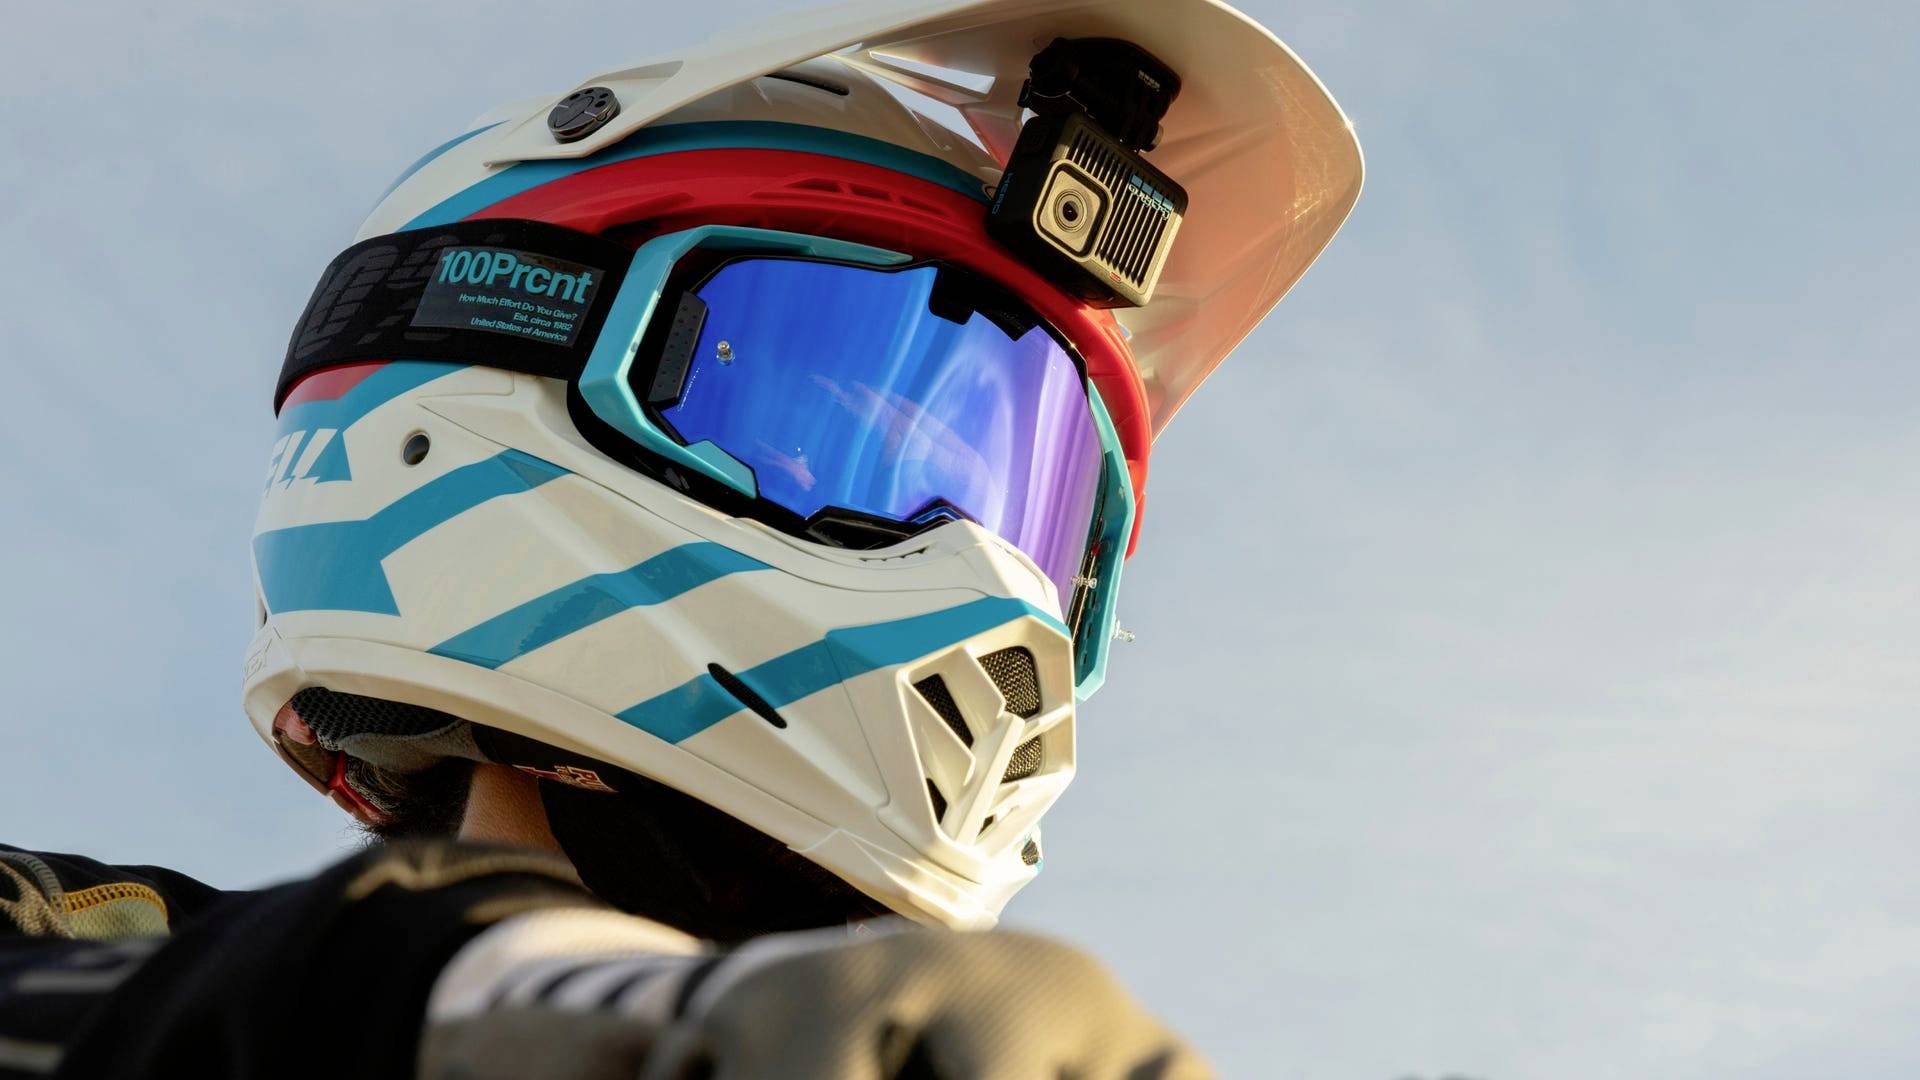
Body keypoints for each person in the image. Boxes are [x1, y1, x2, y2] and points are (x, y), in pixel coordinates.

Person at [0, 1, 1362, 1076]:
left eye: (1037, 513)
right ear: (495, 351)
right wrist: (545, 1003)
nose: (982, 581)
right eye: (847, 442)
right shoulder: (82, 946)